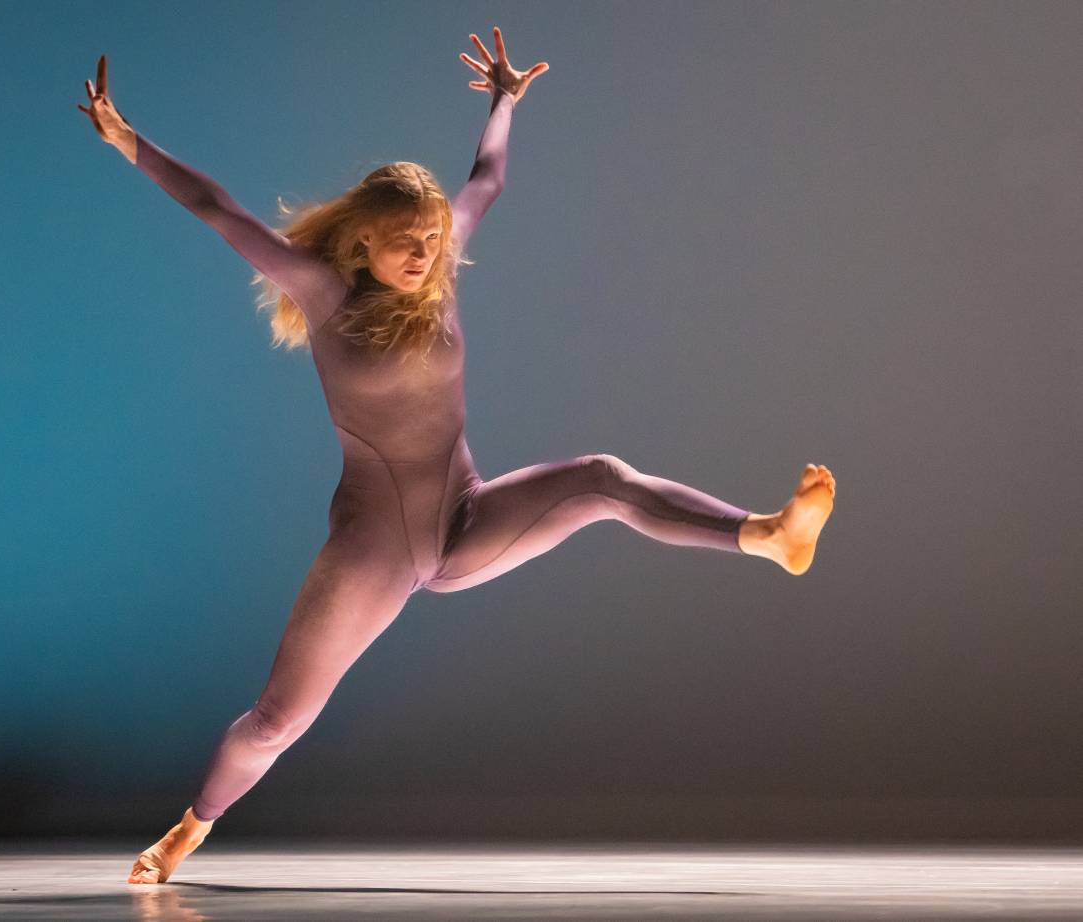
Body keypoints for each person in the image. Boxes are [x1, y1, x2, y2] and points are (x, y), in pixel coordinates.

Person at [77, 27, 836, 884]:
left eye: (431, 239)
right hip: (375, 549)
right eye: (404, 240)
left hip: (467, 516)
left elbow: (486, 181)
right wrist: (128, 140)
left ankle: (768, 534)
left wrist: (504, 103)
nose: (424, 253)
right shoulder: (323, 291)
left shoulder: (437, 270)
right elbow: (220, 210)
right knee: (273, 723)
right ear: (361, 241)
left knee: (602, 479)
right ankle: (190, 828)